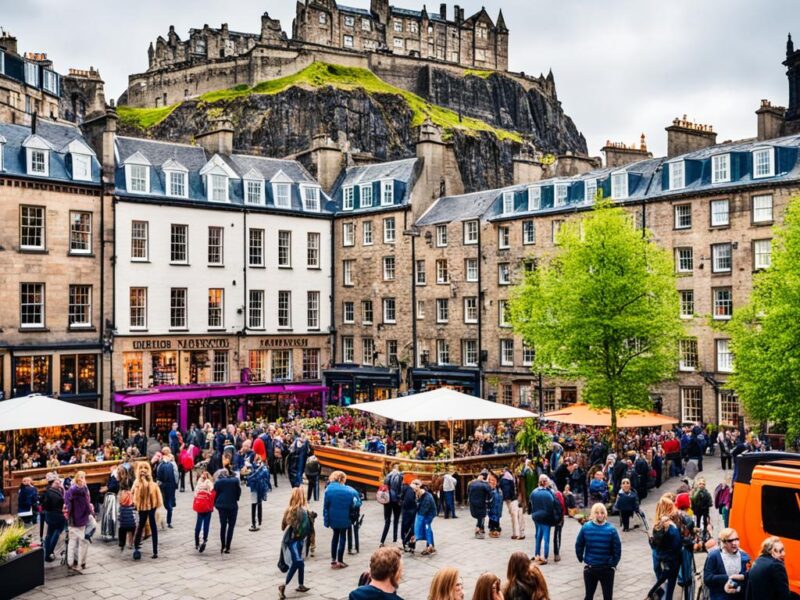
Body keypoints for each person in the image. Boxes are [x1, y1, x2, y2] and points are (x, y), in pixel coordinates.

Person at [575, 503, 621, 600]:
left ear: (605, 514)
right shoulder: (586, 527)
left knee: (608, 597)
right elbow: (579, 543)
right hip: (591, 569)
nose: (600, 515)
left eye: (602, 512)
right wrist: (580, 557)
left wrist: (613, 563)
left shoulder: (611, 529)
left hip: (606, 569)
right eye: (597, 513)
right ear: (593, 514)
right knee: (588, 596)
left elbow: (617, 549)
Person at [646, 497, 682, 600]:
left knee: (662, 587)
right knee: (668, 589)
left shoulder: (657, 524)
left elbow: (654, 546)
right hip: (670, 561)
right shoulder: (669, 525)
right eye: (671, 507)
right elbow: (676, 544)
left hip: (660, 559)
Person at [324, 470, 362, 568]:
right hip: (345, 518)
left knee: (335, 537)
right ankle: (340, 560)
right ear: (342, 479)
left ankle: (333, 559)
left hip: (333, 518)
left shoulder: (328, 490)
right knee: (342, 537)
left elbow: (326, 507)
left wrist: (326, 520)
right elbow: (357, 503)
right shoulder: (349, 491)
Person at [279, 487, 312, 599]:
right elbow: (307, 529)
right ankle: (283, 584)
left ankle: (301, 585)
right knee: (298, 561)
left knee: (300, 562)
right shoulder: (304, 511)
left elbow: (283, 526)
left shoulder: (289, 509)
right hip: (296, 541)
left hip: (291, 540)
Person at [703, 528, 750, 600]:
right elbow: (707, 579)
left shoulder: (744, 556)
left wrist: (742, 577)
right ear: (724, 543)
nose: (734, 543)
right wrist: (728, 578)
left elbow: (748, 577)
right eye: (730, 541)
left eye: (737, 539)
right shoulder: (714, 556)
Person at [131, 461, 163, 560]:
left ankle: (155, 551)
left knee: (152, 526)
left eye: (145, 468)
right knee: (141, 525)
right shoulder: (136, 483)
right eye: (141, 468)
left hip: (151, 506)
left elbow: (152, 491)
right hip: (142, 507)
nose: (143, 470)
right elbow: (134, 493)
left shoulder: (152, 483)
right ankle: (136, 548)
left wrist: (146, 481)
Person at [64, 470, 94, 572]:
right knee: (82, 541)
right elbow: (87, 504)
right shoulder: (84, 490)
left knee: (72, 542)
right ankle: (81, 563)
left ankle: (70, 563)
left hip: (72, 519)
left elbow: (66, 502)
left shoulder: (70, 490)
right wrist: (91, 512)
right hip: (82, 519)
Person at [214, 459, 241, 554]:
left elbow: (215, 493)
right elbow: (238, 493)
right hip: (233, 505)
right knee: (231, 526)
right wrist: (236, 498)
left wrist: (216, 503)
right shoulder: (235, 480)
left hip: (221, 505)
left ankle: (222, 545)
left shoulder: (218, 482)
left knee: (223, 525)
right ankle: (228, 546)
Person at [530, 474, 557, 565]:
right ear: (545, 482)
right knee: (546, 537)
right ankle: (544, 556)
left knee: (538, 535)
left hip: (536, 516)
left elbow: (531, 503)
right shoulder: (549, 493)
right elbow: (553, 505)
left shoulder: (534, 492)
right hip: (546, 517)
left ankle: (537, 554)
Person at [41, 473, 65, 562]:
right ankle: (49, 552)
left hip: (50, 515)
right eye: (56, 482)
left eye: (58, 481)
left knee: (49, 534)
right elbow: (47, 505)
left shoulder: (52, 491)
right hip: (56, 515)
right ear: (51, 483)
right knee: (56, 532)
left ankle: (47, 554)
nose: (58, 483)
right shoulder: (52, 492)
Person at [246, 454, 272, 531]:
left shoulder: (260, 467)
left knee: (257, 504)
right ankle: (254, 522)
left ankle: (258, 521)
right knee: (255, 504)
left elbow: (252, 477)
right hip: (256, 488)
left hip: (258, 488)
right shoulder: (254, 467)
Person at [381, 464, 404, 546]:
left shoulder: (387, 476)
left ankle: (382, 541)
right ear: (397, 468)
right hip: (396, 501)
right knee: (396, 520)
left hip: (387, 500)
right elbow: (400, 488)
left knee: (387, 521)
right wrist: (400, 499)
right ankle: (394, 538)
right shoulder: (399, 475)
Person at [192, 471, 215, 552]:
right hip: (207, 507)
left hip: (199, 506)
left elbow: (195, 495)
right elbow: (213, 494)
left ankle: (197, 542)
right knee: (206, 525)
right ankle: (204, 541)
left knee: (198, 523)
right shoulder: (210, 483)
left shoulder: (199, 484)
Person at [156, 448, 179, 528]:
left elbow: (158, 477)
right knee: (169, 503)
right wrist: (176, 485)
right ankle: (169, 521)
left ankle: (163, 520)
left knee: (163, 502)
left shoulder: (160, 464)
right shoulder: (172, 464)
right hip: (171, 485)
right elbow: (176, 475)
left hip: (163, 486)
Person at [414, 481, 437, 556]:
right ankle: (431, 545)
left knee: (427, 526)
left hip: (430, 514)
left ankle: (430, 545)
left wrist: (416, 535)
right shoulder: (422, 495)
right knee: (428, 528)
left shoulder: (426, 497)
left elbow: (421, 514)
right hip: (428, 513)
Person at [468, 471, 492, 539]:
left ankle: (480, 529)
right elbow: (490, 494)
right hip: (481, 503)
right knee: (481, 517)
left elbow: (468, 493)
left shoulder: (471, 483)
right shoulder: (485, 485)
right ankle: (478, 530)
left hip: (472, 504)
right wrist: (489, 502)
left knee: (479, 518)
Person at [499, 469, 522, 540]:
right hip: (513, 499)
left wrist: (506, 499)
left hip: (509, 500)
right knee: (515, 517)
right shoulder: (511, 479)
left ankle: (516, 534)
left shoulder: (503, 480)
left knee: (514, 517)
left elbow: (505, 490)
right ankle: (517, 533)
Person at [400, 479, 418, 553]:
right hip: (412, 512)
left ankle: (406, 544)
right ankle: (411, 546)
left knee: (406, 528)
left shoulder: (406, 488)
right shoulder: (413, 490)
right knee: (412, 529)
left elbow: (402, 498)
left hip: (406, 512)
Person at [487, 474, 503, 538]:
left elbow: (500, 500)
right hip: (493, 508)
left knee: (496, 517)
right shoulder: (491, 490)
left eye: (494, 480)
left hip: (497, 508)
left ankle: (495, 529)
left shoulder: (498, 490)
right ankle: (493, 529)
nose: (492, 482)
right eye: (491, 480)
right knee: (493, 517)